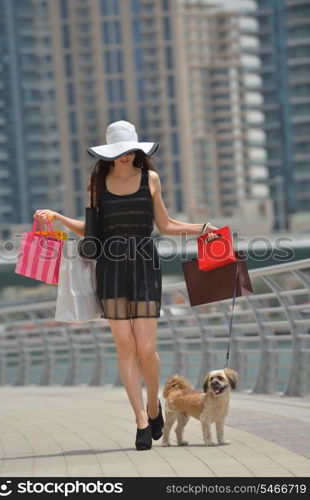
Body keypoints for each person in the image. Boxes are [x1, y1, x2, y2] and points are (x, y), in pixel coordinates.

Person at [34, 120, 218, 451]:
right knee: (124, 345)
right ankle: (141, 421)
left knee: (146, 349)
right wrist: (59, 217)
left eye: (129, 150)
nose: (124, 157)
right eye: (117, 152)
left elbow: (164, 224)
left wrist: (201, 228)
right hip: (111, 266)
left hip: (145, 264)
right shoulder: (97, 183)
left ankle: (153, 405)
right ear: (109, 154)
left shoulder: (151, 179)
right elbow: (91, 232)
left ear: (137, 150)